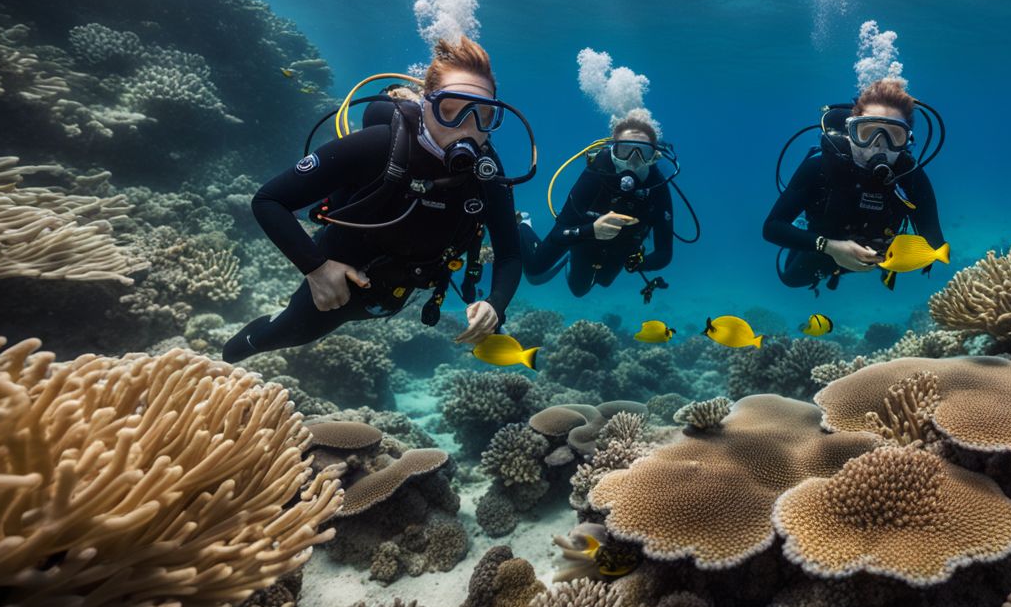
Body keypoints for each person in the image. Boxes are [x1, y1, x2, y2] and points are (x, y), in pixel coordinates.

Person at [222, 36, 529, 363]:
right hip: (340, 286)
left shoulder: (488, 175)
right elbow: (268, 200)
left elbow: (509, 253)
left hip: (403, 289)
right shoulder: (378, 146)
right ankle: (224, 359)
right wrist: (317, 268)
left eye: (484, 114)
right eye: (450, 111)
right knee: (283, 334)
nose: (468, 129)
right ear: (426, 105)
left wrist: (495, 304)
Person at [763, 79, 945, 291]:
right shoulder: (820, 167)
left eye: (894, 135)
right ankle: (806, 231)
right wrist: (829, 247)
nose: (879, 145)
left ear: (907, 141)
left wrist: (902, 255)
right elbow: (772, 228)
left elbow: (935, 241)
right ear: (851, 133)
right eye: (867, 133)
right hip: (827, 247)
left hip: (885, 255)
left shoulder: (911, 176)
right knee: (791, 279)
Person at [518, 115, 674, 297]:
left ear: (654, 156)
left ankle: (573, 260)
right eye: (625, 150)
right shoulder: (595, 175)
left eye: (643, 152)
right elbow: (559, 232)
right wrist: (590, 230)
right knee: (537, 275)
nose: (633, 160)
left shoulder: (657, 188)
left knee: (595, 285)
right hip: (583, 239)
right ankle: (522, 224)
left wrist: (640, 263)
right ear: (613, 151)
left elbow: (664, 252)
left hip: (620, 250)